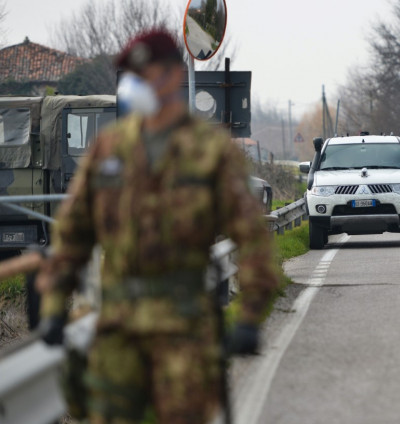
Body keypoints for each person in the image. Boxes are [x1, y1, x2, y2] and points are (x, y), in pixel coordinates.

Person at [35, 29, 279, 424]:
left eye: (140, 74)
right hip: (116, 325)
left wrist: (249, 315)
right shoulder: (109, 147)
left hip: (183, 326)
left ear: (168, 76)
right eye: (129, 76)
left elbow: (251, 235)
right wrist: (52, 306)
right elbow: (73, 233)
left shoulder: (209, 149)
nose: (131, 84)